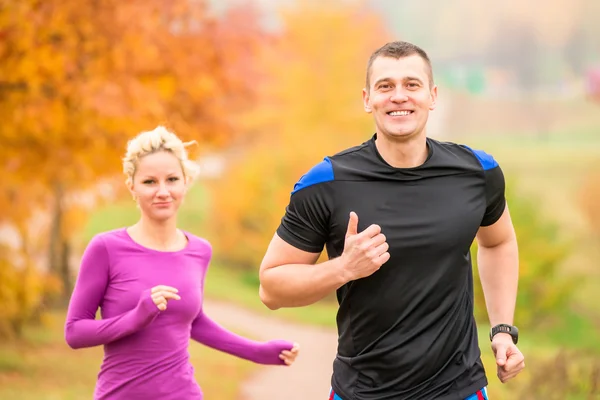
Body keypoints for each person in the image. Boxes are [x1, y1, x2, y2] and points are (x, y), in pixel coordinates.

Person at [258, 41, 524, 400]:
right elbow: (271, 289)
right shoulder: (326, 182)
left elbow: (498, 241)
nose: (399, 96)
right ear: (368, 99)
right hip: (362, 391)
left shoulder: (477, 172)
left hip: (457, 388)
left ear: (432, 96)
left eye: (411, 85)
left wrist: (502, 330)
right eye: (386, 86)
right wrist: (344, 268)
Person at [65, 126, 300, 400]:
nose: (162, 191)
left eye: (172, 179)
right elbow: (75, 332)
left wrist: (257, 351)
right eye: (149, 182)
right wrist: (135, 317)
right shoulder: (106, 248)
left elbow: (194, 321)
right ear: (132, 186)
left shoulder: (199, 250)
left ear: (186, 182)